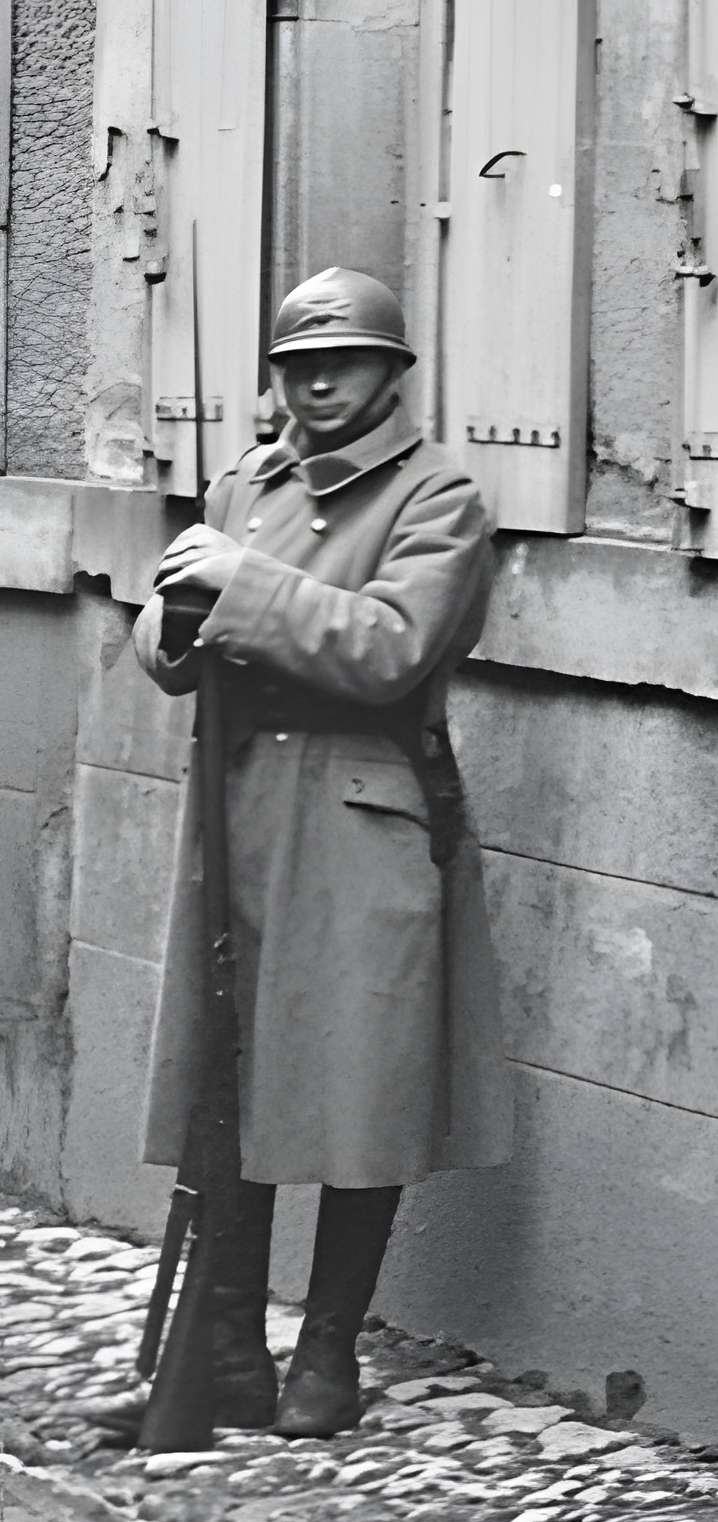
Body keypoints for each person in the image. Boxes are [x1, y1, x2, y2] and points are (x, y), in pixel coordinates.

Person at [92, 267, 511, 1442]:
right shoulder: (244, 482)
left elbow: (391, 649)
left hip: (365, 814)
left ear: (392, 371)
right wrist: (177, 610)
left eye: (344, 359)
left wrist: (243, 583)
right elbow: (168, 649)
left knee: (358, 1086)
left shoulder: (442, 498)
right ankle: (222, 1349)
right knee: (229, 1078)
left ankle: (327, 1352)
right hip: (240, 812)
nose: (317, 381)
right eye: (295, 364)